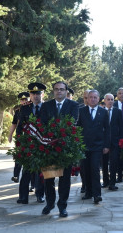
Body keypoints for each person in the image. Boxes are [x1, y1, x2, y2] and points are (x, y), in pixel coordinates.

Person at [40, 81, 79, 217]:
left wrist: (58, 131)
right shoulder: (46, 106)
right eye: (56, 89)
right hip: (49, 147)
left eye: (62, 89)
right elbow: (43, 123)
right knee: (49, 178)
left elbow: (72, 122)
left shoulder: (73, 105)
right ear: (53, 91)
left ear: (66, 91)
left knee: (64, 179)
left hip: (65, 148)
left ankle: (62, 205)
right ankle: (50, 204)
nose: (59, 92)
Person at [77, 90, 110, 204]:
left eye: (95, 97)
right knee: (85, 169)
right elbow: (77, 128)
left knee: (95, 169)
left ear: (98, 98)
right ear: (87, 98)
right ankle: (88, 192)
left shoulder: (103, 112)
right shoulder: (81, 111)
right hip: (84, 146)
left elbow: (107, 130)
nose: (92, 99)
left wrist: (106, 145)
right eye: (90, 97)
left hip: (98, 146)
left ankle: (97, 194)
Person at [16, 83, 46, 205]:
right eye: (33, 93)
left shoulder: (48, 107)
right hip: (28, 145)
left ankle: (40, 195)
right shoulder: (24, 108)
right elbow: (20, 126)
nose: (35, 96)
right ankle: (23, 197)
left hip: (43, 144)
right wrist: (19, 141)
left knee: (40, 172)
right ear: (29, 95)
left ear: (42, 94)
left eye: (38, 93)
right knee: (26, 171)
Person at [102, 93, 123, 190]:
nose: (110, 101)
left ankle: (112, 183)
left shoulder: (118, 112)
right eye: (108, 99)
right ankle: (105, 181)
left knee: (114, 162)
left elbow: (122, 126)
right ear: (104, 100)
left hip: (115, 141)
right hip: (103, 142)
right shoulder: (101, 111)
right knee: (104, 162)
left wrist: (122, 139)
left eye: (112, 99)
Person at [9, 92, 29, 183]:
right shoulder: (18, 111)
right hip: (20, 137)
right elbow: (14, 124)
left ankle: (32, 184)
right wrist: (10, 135)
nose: (24, 101)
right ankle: (16, 175)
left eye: (26, 99)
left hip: (31, 137)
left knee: (29, 158)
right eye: (22, 100)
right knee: (19, 156)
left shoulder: (32, 109)